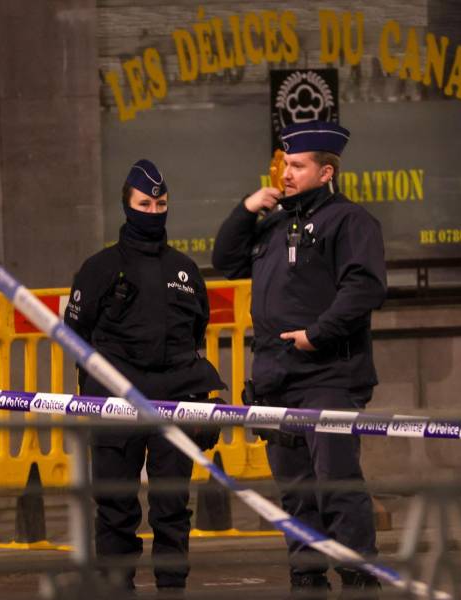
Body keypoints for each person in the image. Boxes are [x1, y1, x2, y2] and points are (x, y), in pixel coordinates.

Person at [212, 120, 387, 596]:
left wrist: (316, 335)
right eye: (284, 164)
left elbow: (364, 288)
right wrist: (247, 210)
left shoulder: (349, 221)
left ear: (326, 172)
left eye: (297, 166)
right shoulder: (275, 221)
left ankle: (357, 574)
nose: (285, 174)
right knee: (294, 488)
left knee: (336, 480)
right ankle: (306, 573)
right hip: (274, 376)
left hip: (327, 374)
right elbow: (226, 260)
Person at [65, 159, 226, 594]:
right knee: (115, 506)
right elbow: (76, 334)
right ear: (127, 205)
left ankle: (172, 586)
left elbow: (197, 331)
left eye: (160, 203)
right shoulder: (99, 269)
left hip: (174, 397)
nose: (153, 211)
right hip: (115, 399)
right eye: (144, 203)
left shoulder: (185, 270)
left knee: (172, 507)